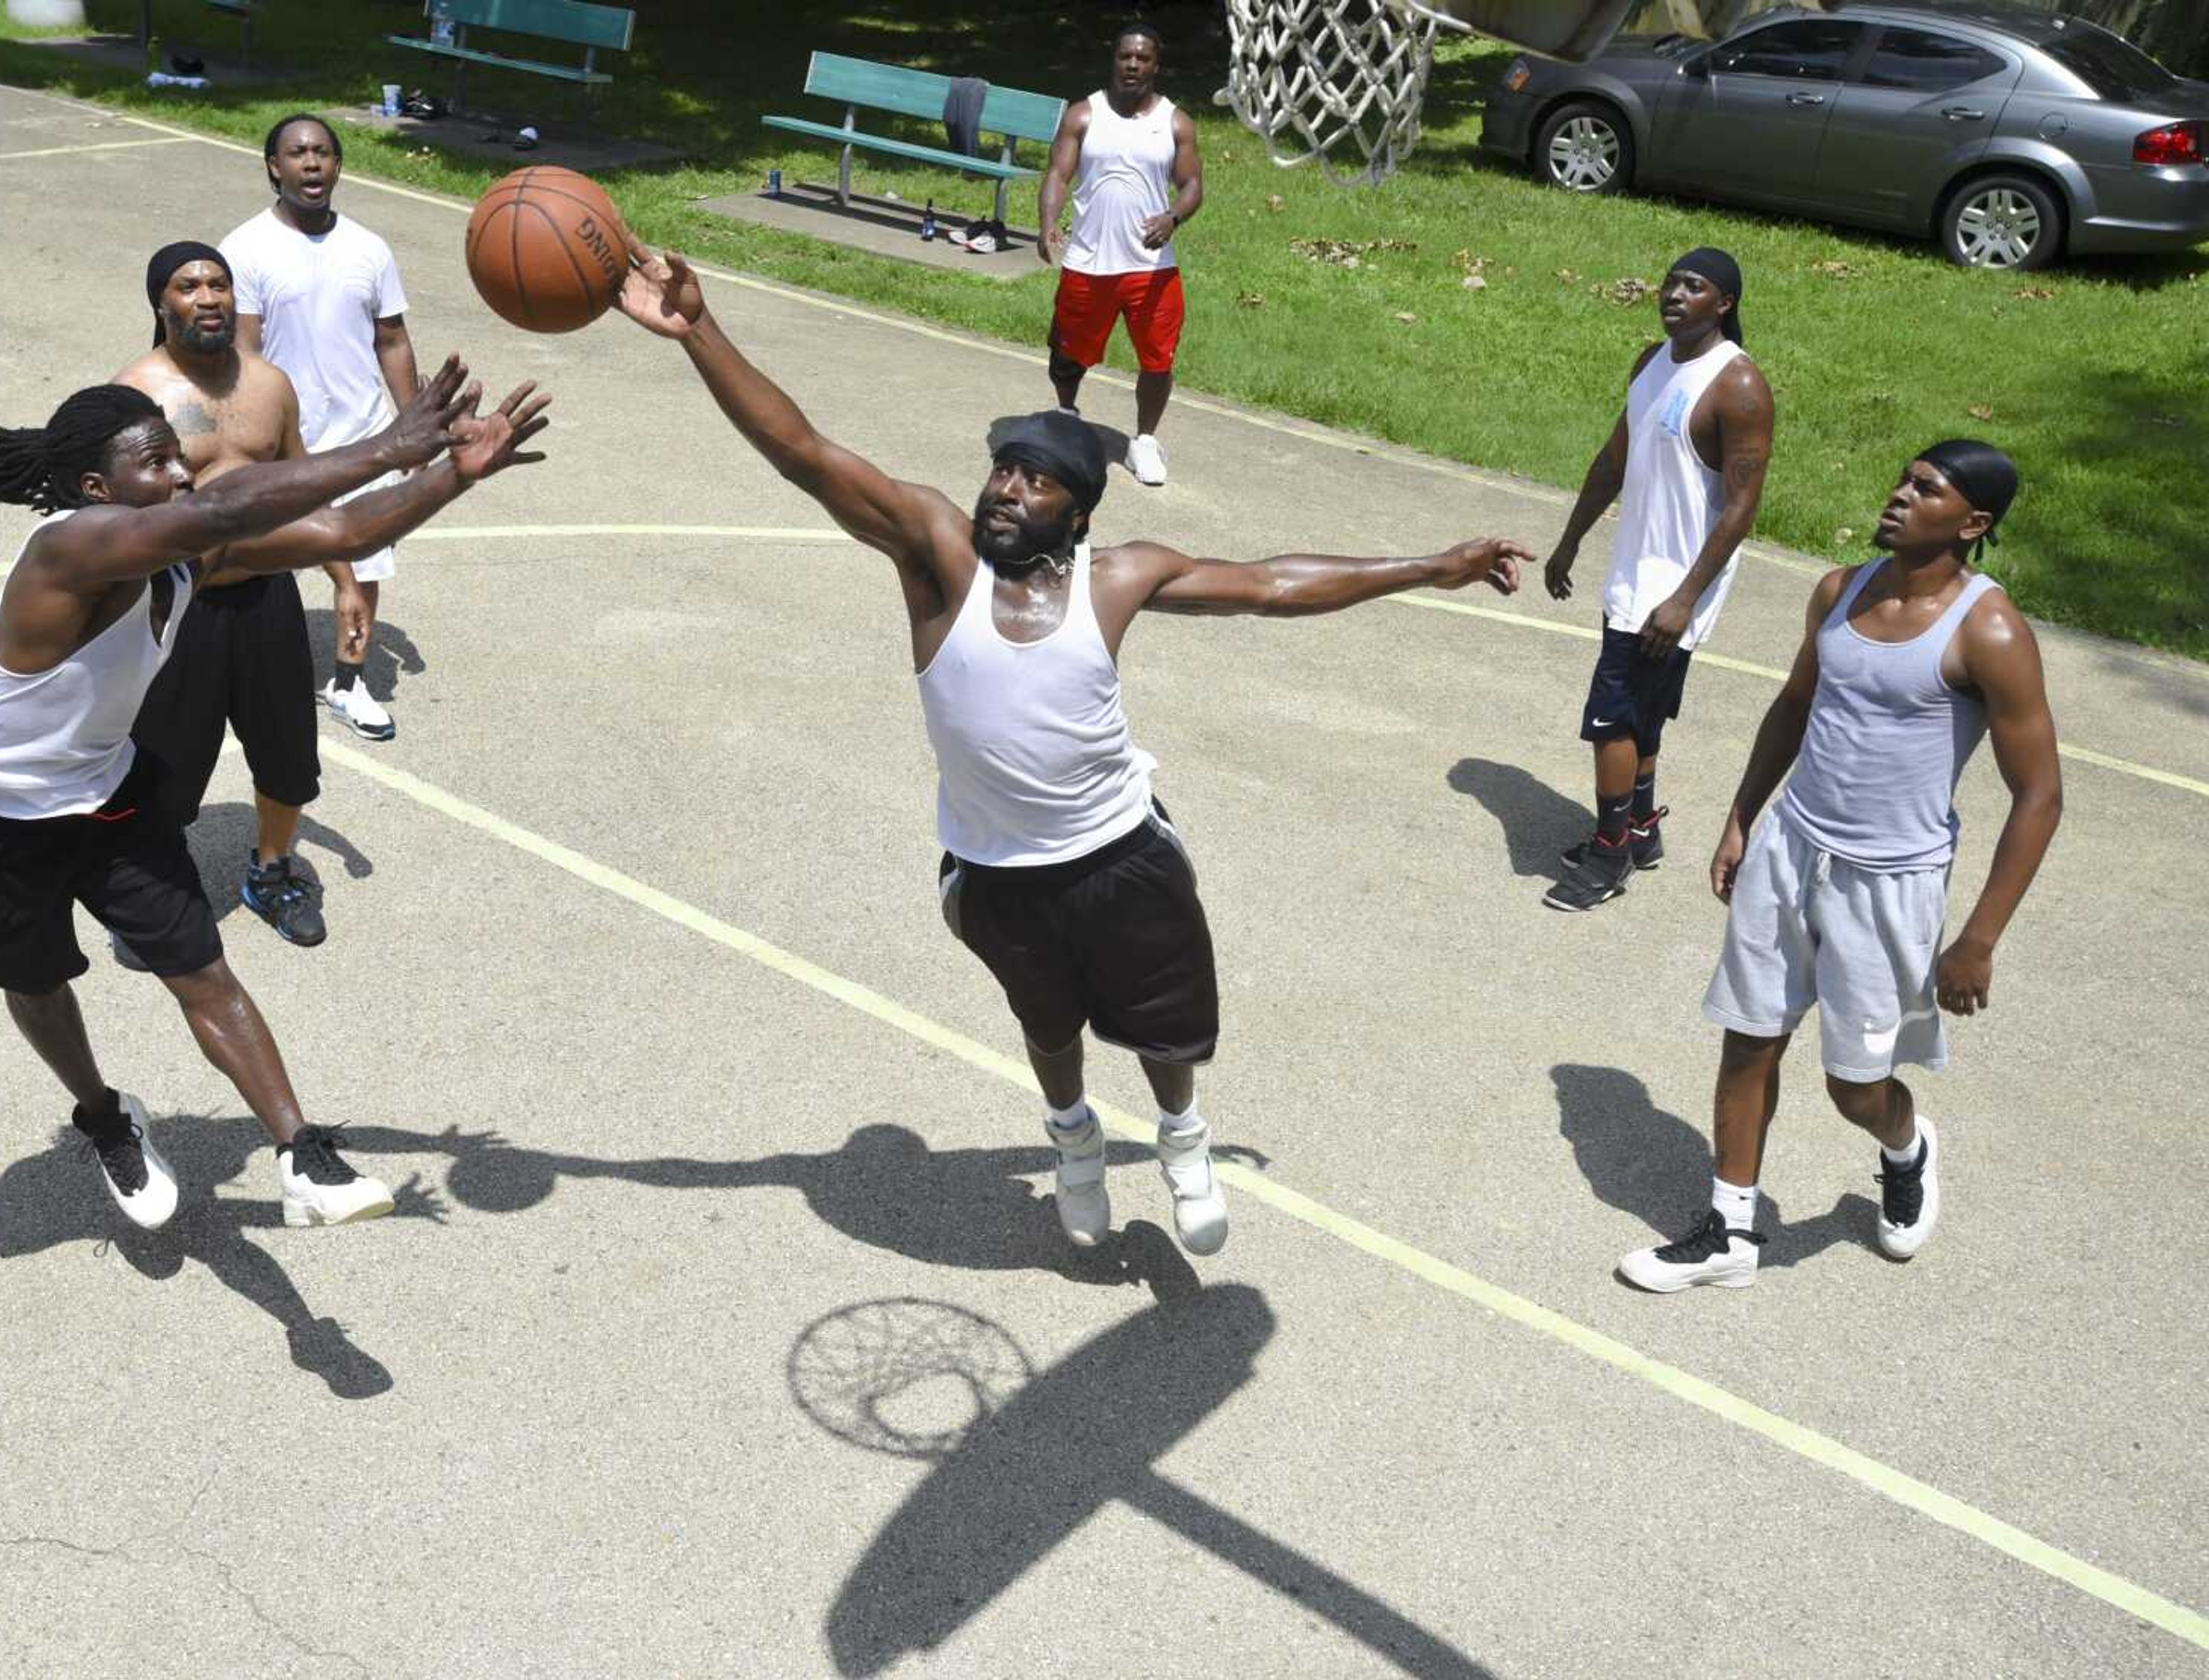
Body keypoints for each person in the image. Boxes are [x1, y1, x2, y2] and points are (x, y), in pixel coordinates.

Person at [615, 237, 1525, 1258]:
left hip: (1120, 852)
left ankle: (1181, 1138)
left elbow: (1274, 585)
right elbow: (805, 451)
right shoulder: (936, 560)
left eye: (1036, 480)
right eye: (1002, 468)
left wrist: (1428, 567)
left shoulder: (1116, 579)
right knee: (1049, 1028)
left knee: (1167, 1031)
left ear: (1078, 511)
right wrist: (699, 330)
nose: (1006, 487)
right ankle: (1074, 1139)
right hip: (998, 871)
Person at [0, 356, 548, 1231]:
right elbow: (222, 505)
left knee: (203, 970)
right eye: (156, 463)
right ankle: (103, 1117)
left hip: (101, 799)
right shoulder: (70, 545)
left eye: (181, 456)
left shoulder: (185, 553)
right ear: (98, 487)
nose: (181, 473)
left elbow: (340, 530)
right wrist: (389, 442)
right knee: (39, 980)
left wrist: (449, 475)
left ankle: (303, 1156)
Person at [1617, 442, 2062, 1293]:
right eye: (1903, 478)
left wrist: (1978, 940)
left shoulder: (1988, 629)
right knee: (1749, 1039)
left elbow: (2039, 794)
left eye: (1927, 489)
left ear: (1972, 524)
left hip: (1889, 883)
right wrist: (1744, 818)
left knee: (1853, 1086)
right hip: (1791, 847)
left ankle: (1906, 1144)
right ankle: (1730, 1232)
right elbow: (1794, 706)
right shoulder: (1839, 589)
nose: (1900, 495)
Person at [1540, 248, 1773, 912]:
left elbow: (1742, 507)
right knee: (1640, 710)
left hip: (1675, 585)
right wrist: (1571, 538)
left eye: (1694, 286)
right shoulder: (1650, 362)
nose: (1674, 294)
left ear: (1723, 304)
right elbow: (1616, 458)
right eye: (1671, 282)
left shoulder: (1738, 386)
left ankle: (1609, 853)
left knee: (1612, 718)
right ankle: (1640, 830)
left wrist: (1684, 599)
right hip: (1635, 571)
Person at [115, 241, 333, 948]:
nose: (207, 297)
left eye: (218, 284)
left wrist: (348, 581)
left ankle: (271, 871)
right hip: (176, 604)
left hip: (268, 597)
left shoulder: (271, 385)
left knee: (288, 754)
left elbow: (309, 490)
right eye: (188, 285)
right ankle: (153, 891)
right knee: (163, 763)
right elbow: (110, 519)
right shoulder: (135, 394)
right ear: (161, 302)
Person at [221, 113, 419, 741]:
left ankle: (349, 681)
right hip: (284, 440)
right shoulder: (245, 248)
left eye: (324, 153)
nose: (312, 164)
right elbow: (243, 355)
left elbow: (392, 338)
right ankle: (233, 671)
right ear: (273, 167)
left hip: (364, 431)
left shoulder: (369, 248)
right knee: (252, 565)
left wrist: (415, 424)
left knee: (363, 565)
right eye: (298, 154)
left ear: (338, 165)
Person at [1037, 23, 1201, 489]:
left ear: (1156, 65)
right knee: (1068, 352)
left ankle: (1145, 442)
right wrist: (1048, 223)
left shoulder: (1175, 122)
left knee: (1157, 359)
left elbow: (1192, 186)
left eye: (1143, 58)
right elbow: (1057, 175)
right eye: (1126, 56)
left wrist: (1173, 217)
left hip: (1152, 268)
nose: (1133, 65)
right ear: (1115, 60)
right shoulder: (1083, 115)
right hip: (1089, 261)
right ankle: (1066, 416)